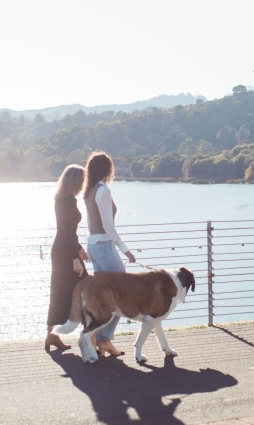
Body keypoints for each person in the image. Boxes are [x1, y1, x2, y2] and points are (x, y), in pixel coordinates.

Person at [82, 152, 136, 357]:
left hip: (93, 247)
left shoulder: (89, 191)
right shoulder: (103, 191)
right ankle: (103, 339)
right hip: (104, 247)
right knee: (122, 297)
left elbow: (92, 225)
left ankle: (97, 336)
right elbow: (108, 226)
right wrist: (125, 250)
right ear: (108, 169)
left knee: (103, 298)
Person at [45, 164, 90, 351]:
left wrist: (79, 249)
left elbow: (68, 232)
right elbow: (65, 231)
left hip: (64, 250)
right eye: (83, 180)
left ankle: (52, 336)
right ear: (76, 181)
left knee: (60, 292)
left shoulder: (63, 199)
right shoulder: (69, 201)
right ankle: (89, 337)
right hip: (65, 253)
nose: (84, 184)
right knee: (85, 287)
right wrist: (74, 258)